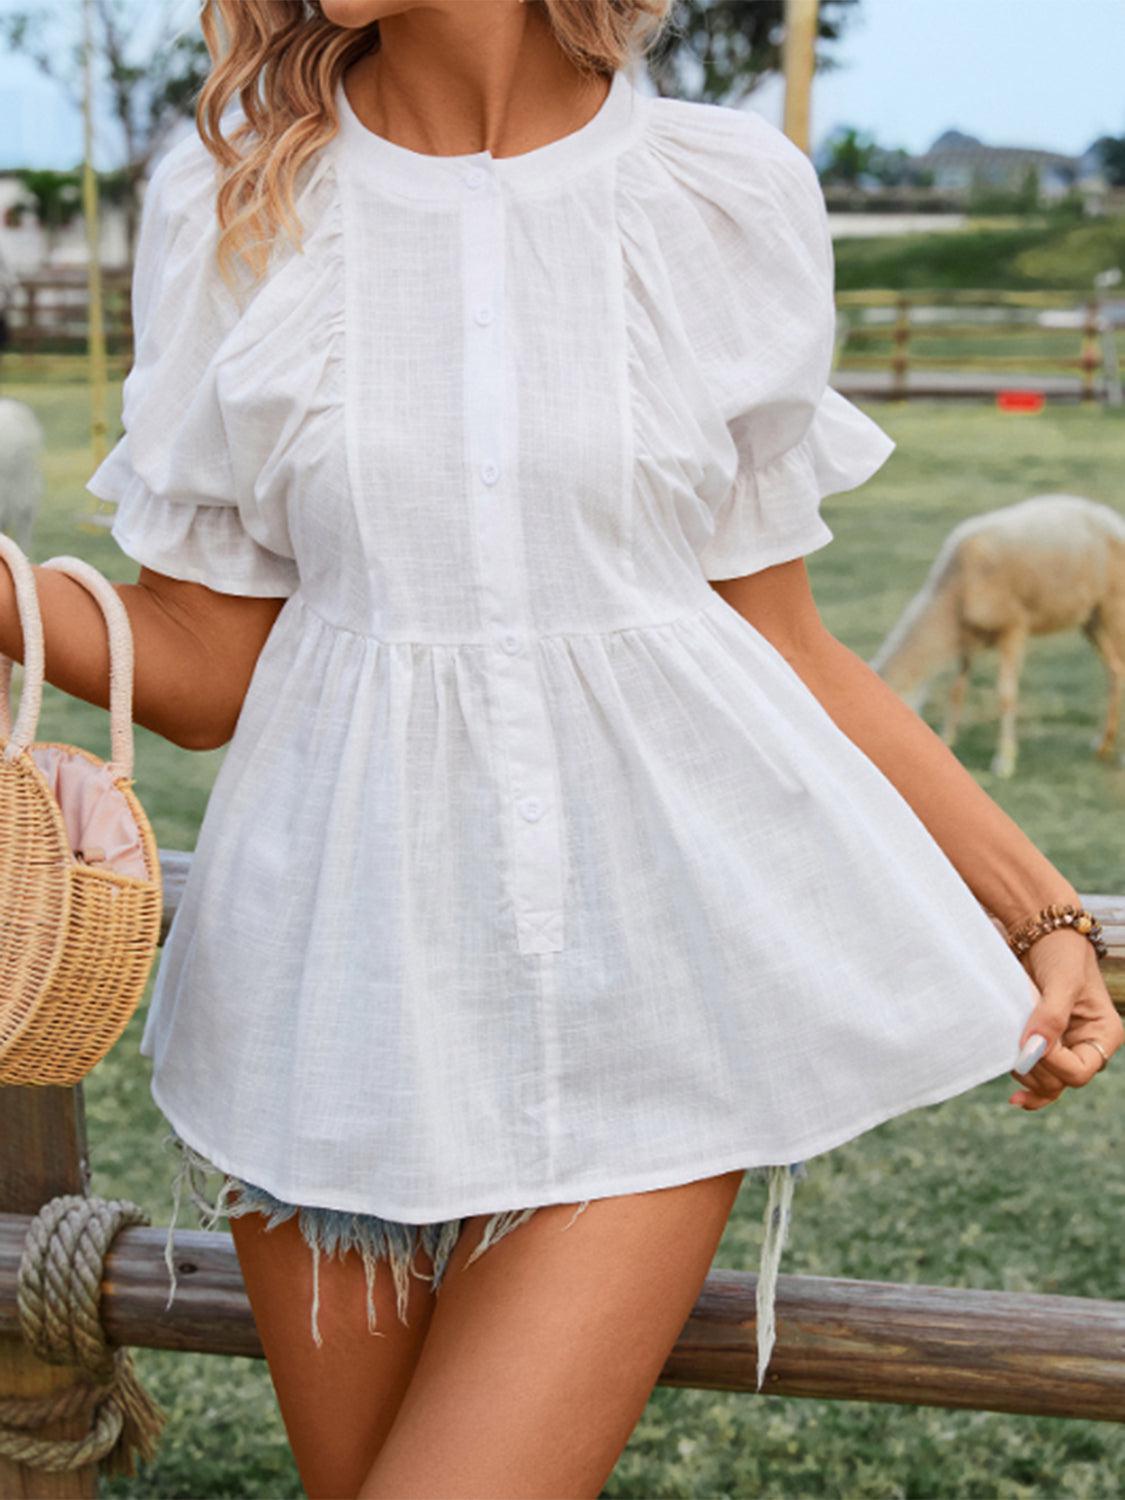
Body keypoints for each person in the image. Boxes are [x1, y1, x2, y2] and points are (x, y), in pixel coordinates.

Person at [3, 1, 1117, 1495]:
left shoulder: (722, 191)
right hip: (319, 1006)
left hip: (647, 996)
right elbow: (206, 672)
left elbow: (783, 643)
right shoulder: (233, 193)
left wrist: (1039, 908)